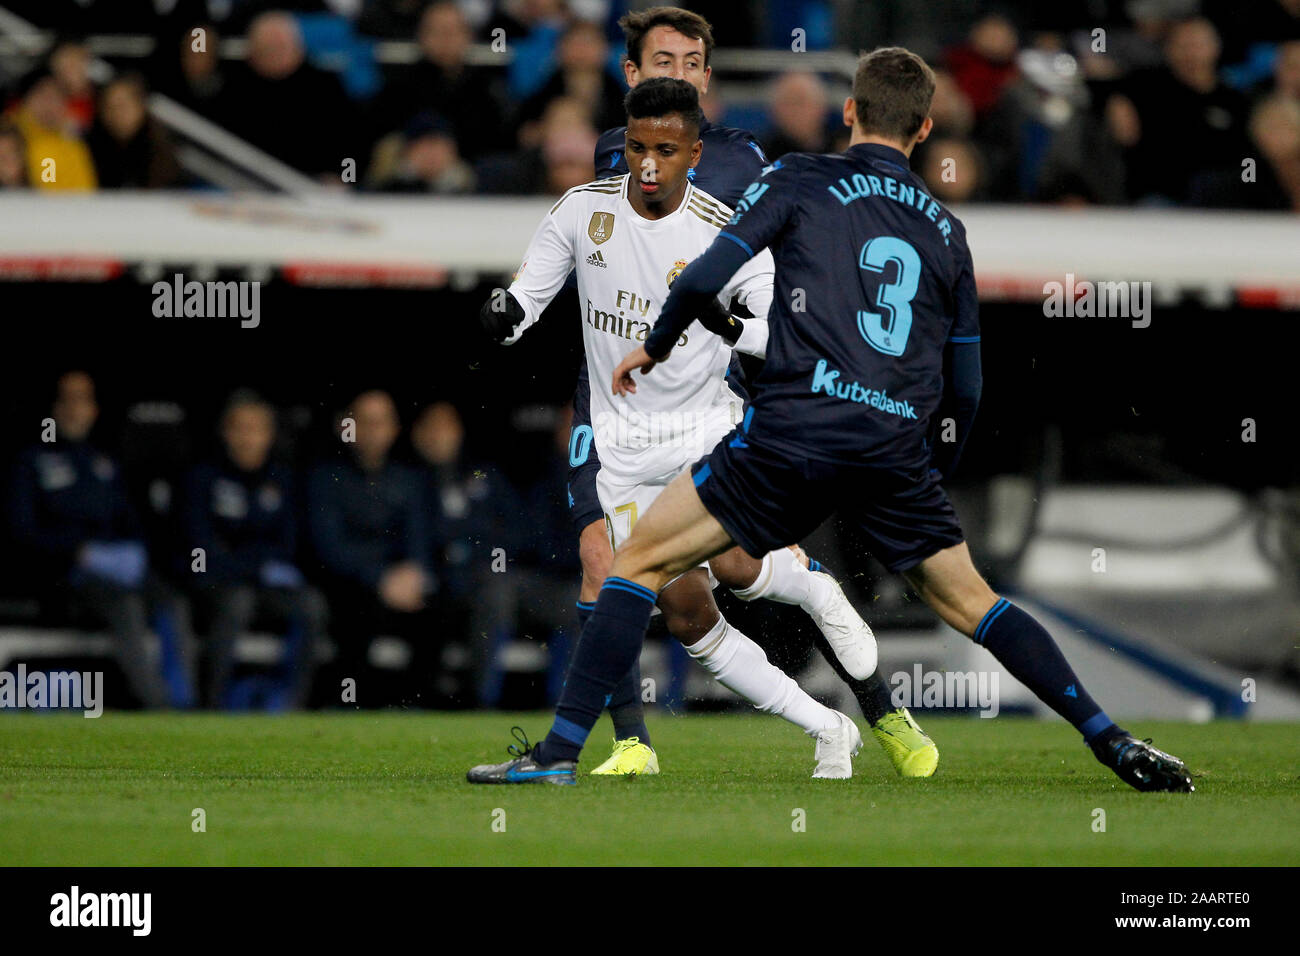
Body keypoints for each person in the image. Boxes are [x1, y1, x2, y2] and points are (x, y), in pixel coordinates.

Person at [469, 47, 1195, 794]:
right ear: (925, 129)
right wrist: (927, 476)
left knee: (635, 564)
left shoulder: (800, 177)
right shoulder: (948, 232)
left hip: (794, 429)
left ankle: (559, 753)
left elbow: (708, 279)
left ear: (848, 112)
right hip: (891, 445)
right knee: (976, 602)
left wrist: (651, 347)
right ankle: (1113, 741)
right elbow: (968, 386)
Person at [473, 77, 879, 783]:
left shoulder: (727, 232)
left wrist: (720, 321)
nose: (650, 164)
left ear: (695, 152)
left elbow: (783, 336)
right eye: (636, 147)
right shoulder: (581, 210)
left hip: (704, 433)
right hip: (623, 449)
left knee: (721, 570)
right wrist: (504, 317)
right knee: (690, 621)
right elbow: (527, 299)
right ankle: (828, 726)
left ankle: (566, 753)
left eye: (666, 149)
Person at [571, 5, 938, 778]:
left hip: (715, 397)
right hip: (624, 402)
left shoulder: (747, 163)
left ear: (707, 77)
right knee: (660, 591)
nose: (677, 73)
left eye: (690, 62)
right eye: (660, 62)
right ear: (631, 74)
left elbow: (780, 275)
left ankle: (877, 704)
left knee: (736, 566)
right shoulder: (612, 157)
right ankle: (643, 744)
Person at [9, 372, 185, 709]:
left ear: (94, 409)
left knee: (170, 601)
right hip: (62, 578)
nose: (76, 409)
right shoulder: (31, 460)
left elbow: (131, 522)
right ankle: (160, 707)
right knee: (126, 604)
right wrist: (77, 551)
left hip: (114, 571)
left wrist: (132, 552)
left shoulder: (104, 462)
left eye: (84, 400)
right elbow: (21, 533)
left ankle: (187, 701)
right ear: (55, 408)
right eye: (68, 400)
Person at [183, 391, 325, 709]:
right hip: (217, 585)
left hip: (267, 587)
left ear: (269, 435)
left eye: (256, 428)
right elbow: (202, 554)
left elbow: (287, 547)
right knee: (237, 601)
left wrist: (248, 561)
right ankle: (213, 704)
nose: (248, 437)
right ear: (225, 432)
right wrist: (256, 564)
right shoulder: (203, 478)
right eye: (240, 428)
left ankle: (291, 704)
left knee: (311, 604)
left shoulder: (281, 480)